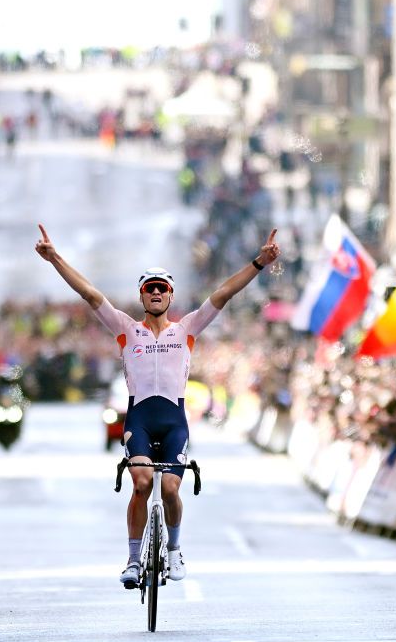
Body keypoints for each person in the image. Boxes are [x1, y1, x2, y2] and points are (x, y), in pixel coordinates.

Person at [34, 223, 280, 587]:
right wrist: (55, 258)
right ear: (141, 295)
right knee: (141, 482)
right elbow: (89, 293)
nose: (155, 293)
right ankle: (133, 560)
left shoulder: (187, 329)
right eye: (149, 289)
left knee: (169, 490)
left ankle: (176, 549)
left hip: (174, 420)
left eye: (161, 288)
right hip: (141, 419)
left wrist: (259, 262)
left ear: (170, 296)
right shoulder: (125, 328)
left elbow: (224, 293)